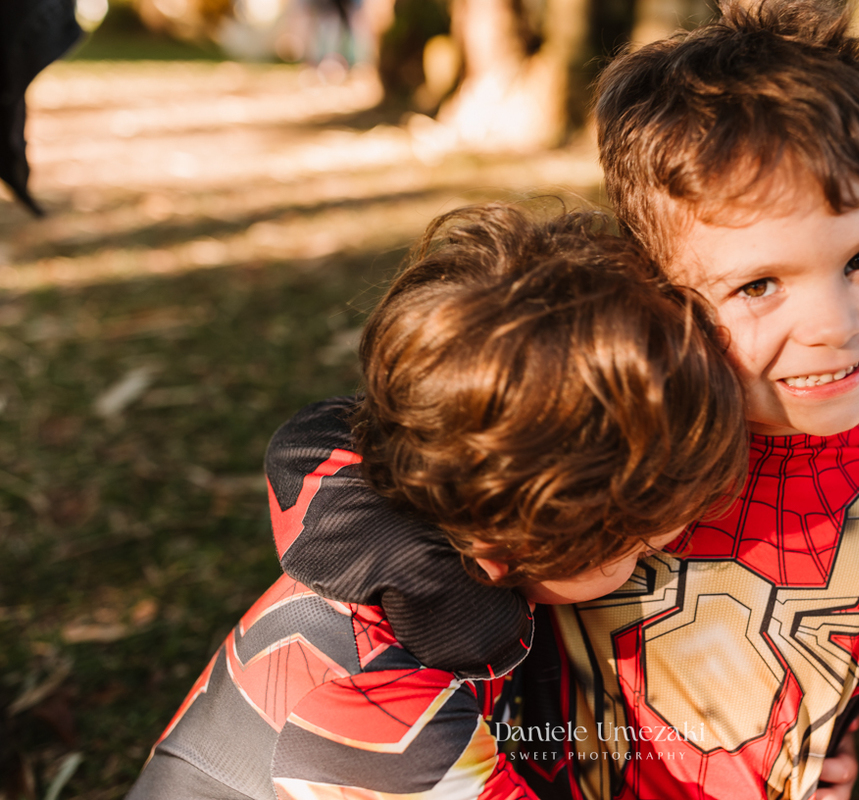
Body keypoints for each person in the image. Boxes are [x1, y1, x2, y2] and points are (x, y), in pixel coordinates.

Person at [265, 3, 859, 799]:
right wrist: (447, 596)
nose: (834, 326)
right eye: (759, 283)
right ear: (654, 287)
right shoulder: (581, 430)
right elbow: (320, 450)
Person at [126, 204, 751, 799]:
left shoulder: (430, 538)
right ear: (510, 550)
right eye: (637, 547)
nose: (659, 555)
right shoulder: (375, 699)